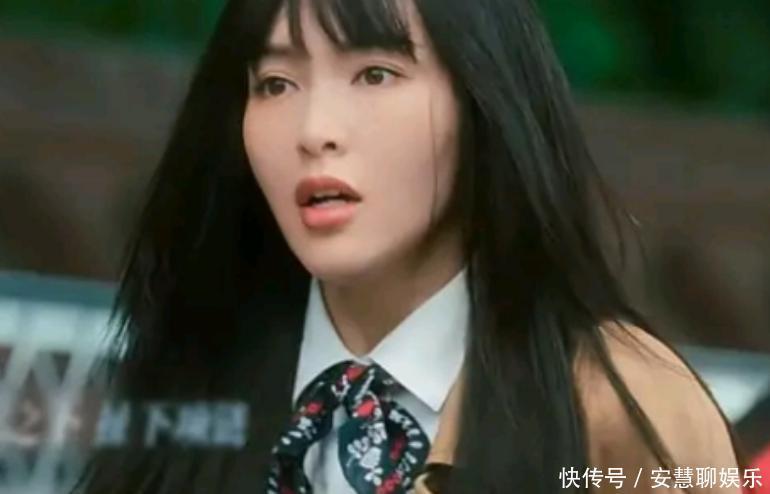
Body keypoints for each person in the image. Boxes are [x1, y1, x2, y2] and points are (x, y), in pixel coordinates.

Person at [72, 0, 745, 492]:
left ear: (483, 99)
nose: (314, 129)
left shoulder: (624, 407)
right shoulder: (191, 376)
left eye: (375, 74)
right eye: (275, 83)